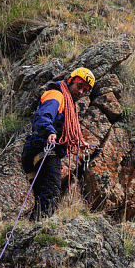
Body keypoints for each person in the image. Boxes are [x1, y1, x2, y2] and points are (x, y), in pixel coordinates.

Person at [21, 67, 95, 221]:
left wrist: (78, 143)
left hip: (37, 152)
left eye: (85, 90)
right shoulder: (57, 95)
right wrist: (50, 131)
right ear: (70, 81)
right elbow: (43, 117)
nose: (81, 92)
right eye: (79, 86)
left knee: (43, 195)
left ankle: (34, 228)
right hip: (44, 149)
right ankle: (42, 230)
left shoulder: (68, 103)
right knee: (51, 191)